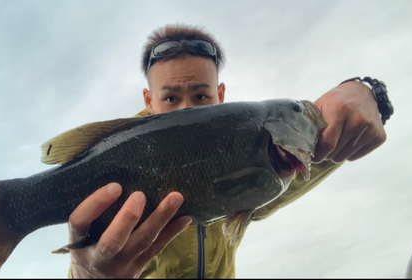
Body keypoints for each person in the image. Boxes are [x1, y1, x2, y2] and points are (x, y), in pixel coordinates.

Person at [67, 24, 390, 278]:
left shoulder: (259, 159)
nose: (186, 108)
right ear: (148, 100)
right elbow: (88, 259)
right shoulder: (111, 156)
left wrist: (369, 93)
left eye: (200, 96)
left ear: (220, 94)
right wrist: (86, 275)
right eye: (170, 98)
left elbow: (319, 148)